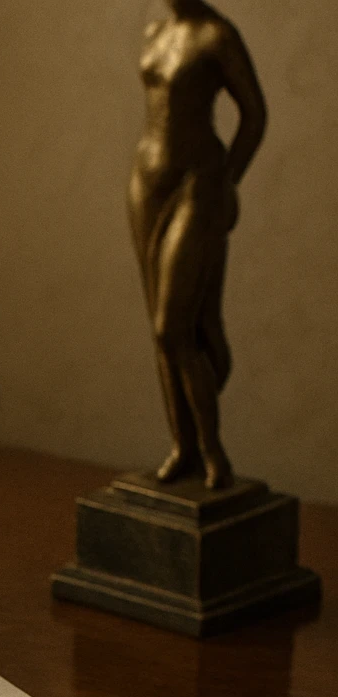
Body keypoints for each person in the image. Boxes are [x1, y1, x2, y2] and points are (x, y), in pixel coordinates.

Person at [129, 1, 266, 490]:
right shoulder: (155, 31)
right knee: (162, 330)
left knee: (175, 327)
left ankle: (213, 452)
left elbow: (254, 115)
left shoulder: (217, 36)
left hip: (198, 182)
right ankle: (181, 447)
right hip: (147, 181)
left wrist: (228, 183)